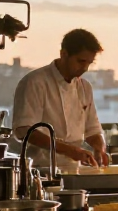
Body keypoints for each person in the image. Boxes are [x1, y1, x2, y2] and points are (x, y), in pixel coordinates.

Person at [13, 29, 108, 172]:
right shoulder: (34, 82)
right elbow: (25, 130)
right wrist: (70, 150)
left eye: (89, 63)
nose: (85, 68)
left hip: (74, 170)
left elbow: (92, 129)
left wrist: (99, 149)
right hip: (39, 170)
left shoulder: (84, 87)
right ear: (64, 54)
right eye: (81, 61)